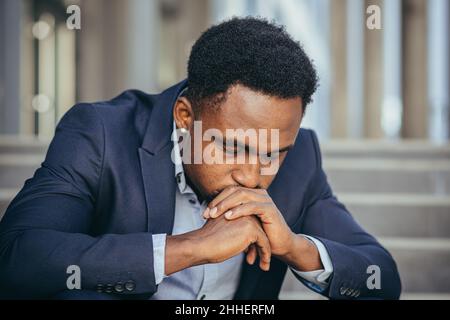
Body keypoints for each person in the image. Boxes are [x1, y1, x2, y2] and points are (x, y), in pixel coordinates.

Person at [0, 17, 401, 300]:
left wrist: (295, 248)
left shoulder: (301, 160)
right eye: (233, 146)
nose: (252, 176)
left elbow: (379, 277)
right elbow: (17, 258)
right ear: (185, 117)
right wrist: (188, 248)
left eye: (273, 153)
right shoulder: (102, 134)